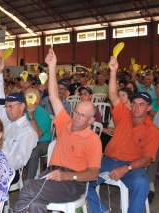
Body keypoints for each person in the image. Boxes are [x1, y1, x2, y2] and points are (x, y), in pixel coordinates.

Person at [15, 49, 102, 213]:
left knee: (29, 186)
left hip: (72, 183)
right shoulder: (65, 123)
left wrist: (67, 176)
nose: (76, 117)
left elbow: (93, 174)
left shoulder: (93, 140)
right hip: (52, 173)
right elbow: (54, 96)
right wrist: (52, 66)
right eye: (75, 112)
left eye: (82, 116)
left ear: (91, 120)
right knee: (34, 204)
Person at [87, 56, 159, 213]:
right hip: (108, 161)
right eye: (134, 103)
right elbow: (113, 95)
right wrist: (113, 71)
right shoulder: (124, 115)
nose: (136, 107)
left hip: (132, 165)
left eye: (141, 105)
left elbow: (147, 159)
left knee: (142, 184)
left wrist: (126, 168)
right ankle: (101, 211)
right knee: (81, 181)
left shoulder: (152, 130)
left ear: (148, 108)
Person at [0, 59, 38, 177]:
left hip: (9, 171)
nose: (7, 110)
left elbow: (18, 161)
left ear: (22, 106)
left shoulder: (28, 132)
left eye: (11, 106)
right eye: (6, 106)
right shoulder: (7, 120)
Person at [24, 88, 52, 180]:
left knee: (32, 152)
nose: (29, 100)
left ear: (38, 99)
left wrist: (31, 116)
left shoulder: (43, 114)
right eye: (26, 97)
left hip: (42, 142)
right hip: (26, 139)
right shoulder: (23, 111)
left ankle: (29, 182)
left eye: (31, 97)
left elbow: (38, 134)